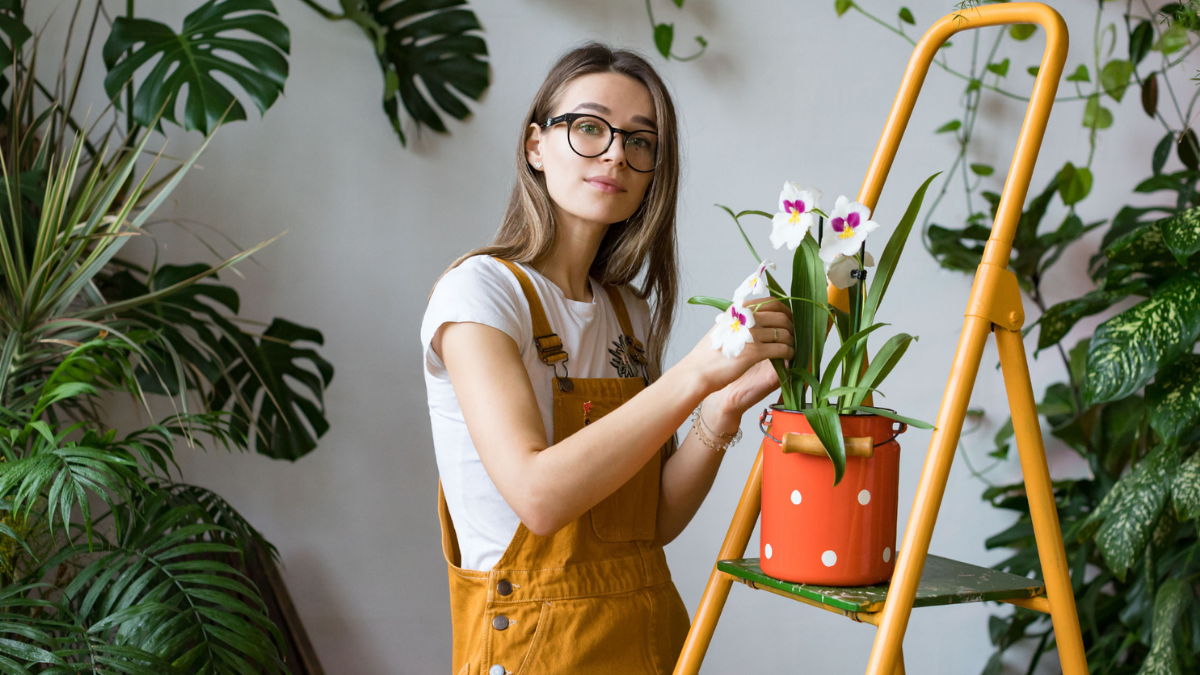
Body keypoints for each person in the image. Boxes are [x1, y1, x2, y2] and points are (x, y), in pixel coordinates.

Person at [420, 42, 794, 675]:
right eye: (589, 128)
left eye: (640, 141)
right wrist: (696, 372)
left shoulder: (628, 312)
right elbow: (537, 496)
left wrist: (722, 404)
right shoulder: (479, 293)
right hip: (535, 643)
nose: (617, 152)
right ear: (536, 146)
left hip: (646, 631)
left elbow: (652, 520)